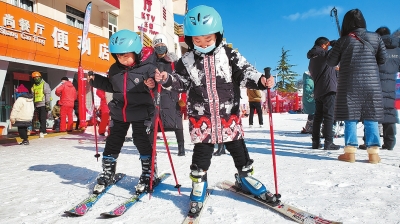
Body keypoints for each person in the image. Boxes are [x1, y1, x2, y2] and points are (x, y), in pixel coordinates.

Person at [152, 5, 278, 216]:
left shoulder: (229, 55)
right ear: (190, 40)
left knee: (238, 148)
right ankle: (199, 183)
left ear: (218, 36)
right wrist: (166, 79)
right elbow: (180, 82)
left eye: (208, 39)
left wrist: (261, 80)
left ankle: (245, 177)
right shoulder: (186, 60)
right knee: (202, 153)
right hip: (202, 117)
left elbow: (246, 73)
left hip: (228, 114)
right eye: (197, 41)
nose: (202, 45)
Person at [88, 29, 158, 194]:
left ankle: (149, 173)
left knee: (141, 141)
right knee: (113, 141)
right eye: (118, 56)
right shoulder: (114, 69)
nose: (122, 59)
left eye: (126, 55)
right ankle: (108, 171)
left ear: (136, 52)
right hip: (120, 112)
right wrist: (96, 80)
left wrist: (152, 84)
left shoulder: (148, 68)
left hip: (142, 112)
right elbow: (112, 86)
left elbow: (157, 87)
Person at [326, 9, 387, 163]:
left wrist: (336, 46)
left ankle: (350, 152)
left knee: (350, 116)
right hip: (371, 83)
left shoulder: (343, 40)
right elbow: (383, 59)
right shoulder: (376, 37)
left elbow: (331, 62)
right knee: (371, 115)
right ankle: (373, 153)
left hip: (349, 84)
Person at [359, 27, 400, 151]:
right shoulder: (398, 50)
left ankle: (369, 141)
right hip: (392, 86)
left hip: (374, 85)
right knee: (389, 113)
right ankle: (390, 143)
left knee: (371, 114)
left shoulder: (373, 48)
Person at [150, 33, 186, 156]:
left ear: (166, 46)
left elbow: (181, 78)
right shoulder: (150, 62)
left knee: (177, 123)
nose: (160, 47)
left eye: (162, 44)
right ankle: (151, 148)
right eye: (157, 45)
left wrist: (182, 97)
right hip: (155, 95)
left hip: (171, 95)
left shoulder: (174, 62)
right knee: (153, 123)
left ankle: (181, 147)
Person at [307, 37, 340, 150]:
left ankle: (315, 142)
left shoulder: (312, 59)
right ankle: (328, 142)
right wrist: (334, 43)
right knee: (329, 116)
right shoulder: (324, 54)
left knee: (318, 117)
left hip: (318, 90)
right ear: (323, 45)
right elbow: (337, 49)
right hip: (329, 88)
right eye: (327, 45)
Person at [31, 71, 51, 138]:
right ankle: (43, 130)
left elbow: (47, 94)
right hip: (37, 104)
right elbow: (33, 95)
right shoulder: (34, 86)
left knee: (42, 118)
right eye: (34, 78)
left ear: (40, 77)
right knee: (39, 118)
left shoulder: (44, 84)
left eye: (37, 77)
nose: (36, 79)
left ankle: (42, 131)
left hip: (43, 104)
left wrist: (47, 103)